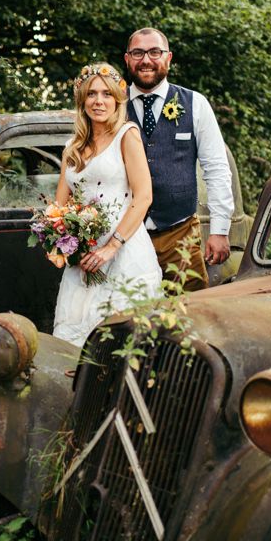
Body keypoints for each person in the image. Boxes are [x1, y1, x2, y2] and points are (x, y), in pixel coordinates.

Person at [52, 62, 163, 347]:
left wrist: (112, 246)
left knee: (120, 343)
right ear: (82, 101)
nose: (98, 101)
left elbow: (144, 197)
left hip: (124, 250)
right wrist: (56, 239)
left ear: (117, 99)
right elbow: (59, 206)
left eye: (106, 94)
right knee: (74, 341)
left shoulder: (127, 136)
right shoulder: (71, 147)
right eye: (91, 94)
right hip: (84, 259)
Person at [125, 27, 234, 291]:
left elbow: (217, 168)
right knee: (131, 316)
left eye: (155, 52)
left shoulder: (195, 103)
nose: (146, 60)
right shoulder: (112, 105)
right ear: (127, 59)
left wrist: (220, 230)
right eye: (138, 53)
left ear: (169, 58)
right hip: (126, 236)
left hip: (180, 233)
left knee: (189, 315)